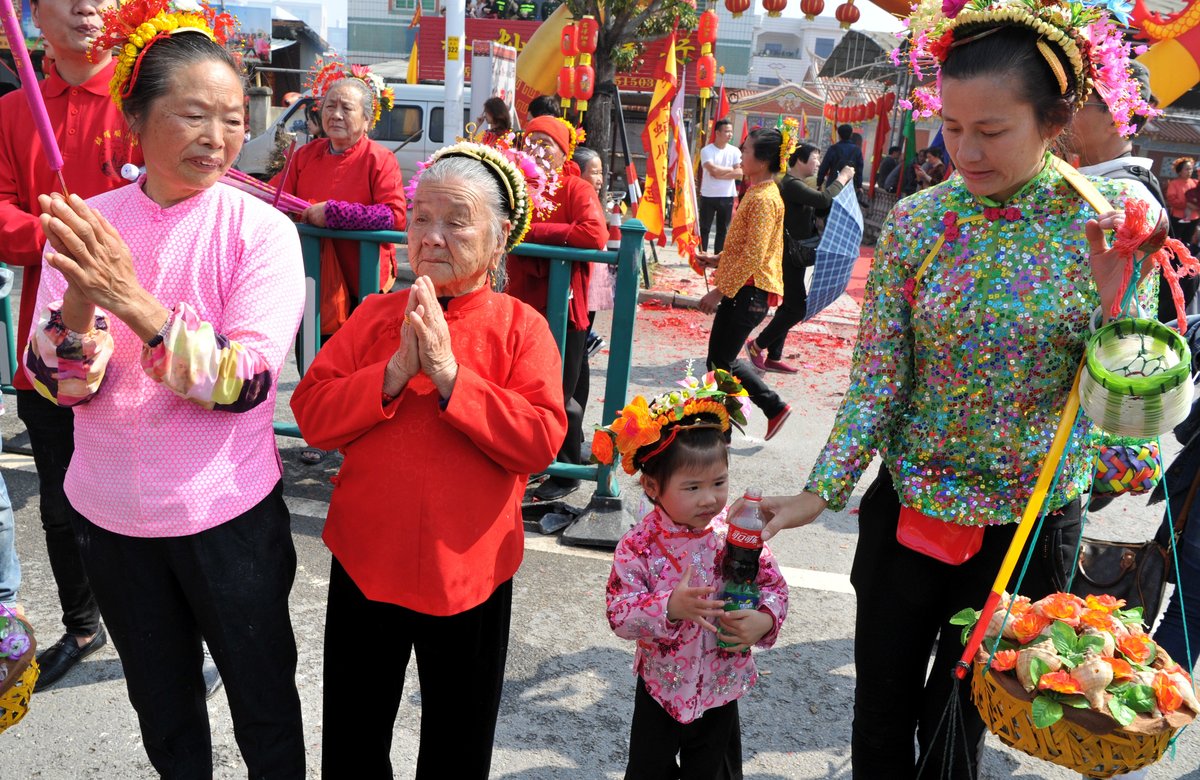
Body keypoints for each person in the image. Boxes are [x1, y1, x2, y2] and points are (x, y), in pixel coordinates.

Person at [748, 0, 1159, 774]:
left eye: (992, 131)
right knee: (880, 723)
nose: (964, 152)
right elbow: (877, 380)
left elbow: (1128, 406)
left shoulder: (1106, 224)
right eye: (954, 126)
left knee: (960, 729)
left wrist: (1117, 298)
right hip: (912, 516)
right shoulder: (917, 223)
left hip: (1026, 529)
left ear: (1055, 119)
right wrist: (819, 492)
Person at [25, 2, 306, 776]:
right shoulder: (94, 224)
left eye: (232, 117)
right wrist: (80, 297)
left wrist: (133, 302)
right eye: (192, 114)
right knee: (165, 713)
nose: (217, 137)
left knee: (264, 707)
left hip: (226, 516)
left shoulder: (261, 234)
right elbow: (58, 386)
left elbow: (245, 382)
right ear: (137, 119)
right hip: (112, 521)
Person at [291, 141, 567, 779]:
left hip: (471, 572)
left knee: (457, 748)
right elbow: (313, 412)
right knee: (353, 744)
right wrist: (390, 376)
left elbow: (539, 438)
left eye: (456, 220)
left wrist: (449, 377)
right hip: (366, 561)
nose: (433, 237)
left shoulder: (520, 327)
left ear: (498, 241)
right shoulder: (376, 313)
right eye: (420, 218)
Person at [0, 0, 169, 694]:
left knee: (157, 499)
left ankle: (182, 633)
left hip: (142, 341)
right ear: (35, 12)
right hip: (50, 347)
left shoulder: (145, 101)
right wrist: (53, 240)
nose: (86, 6)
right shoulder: (14, 111)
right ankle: (81, 623)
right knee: (63, 504)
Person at [600, 370, 789, 778]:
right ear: (652, 486)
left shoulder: (736, 532)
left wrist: (765, 618)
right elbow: (619, 613)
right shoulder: (639, 545)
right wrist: (669, 606)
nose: (710, 498)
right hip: (660, 691)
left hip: (721, 688)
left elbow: (773, 585)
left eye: (719, 482)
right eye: (692, 488)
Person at [273, 59, 406, 464]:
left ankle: (358, 438)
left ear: (367, 119)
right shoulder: (304, 156)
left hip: (363, 282)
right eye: (329, 105)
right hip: (312, 279)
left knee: (360, 364)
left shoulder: (379, 160)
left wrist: (334, 213)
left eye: (346, 107)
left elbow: (394, 216)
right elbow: (284, 204)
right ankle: (320, 433)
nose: (335, 114)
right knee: (313, 357)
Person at [506, 116, 608, 501]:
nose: (537, 148)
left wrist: (532, 232)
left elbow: (593, 234)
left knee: (559, 392)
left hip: (563, 310)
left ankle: (565, 471)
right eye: (531, 140)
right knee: (520, 387)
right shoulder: (515, 184)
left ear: (564, 151)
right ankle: (531, 458)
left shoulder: (575, 187)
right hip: (519, 305)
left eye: (546, 142)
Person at [695, 127, 792, 442]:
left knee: (721, 362)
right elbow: (743, 247)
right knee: (720, 360)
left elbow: (753, 255)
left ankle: (724, 429)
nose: (740, 154)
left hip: (749, 291)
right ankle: (734, 422)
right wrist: (717, 259)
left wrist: (717, 290)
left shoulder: (764, 197)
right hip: (744, 289)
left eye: (746, 149)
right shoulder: (757, 191)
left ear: (762, 161)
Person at [746, 142, 854, 374]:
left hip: (794, 253)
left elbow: (821, 207)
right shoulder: (789, 184)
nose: (818, 162)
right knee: (797, 308)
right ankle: (757, 346)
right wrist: (843, 177)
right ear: (800, 160)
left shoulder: (797, 184)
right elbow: (824, 200)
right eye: (815, 158)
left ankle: (774, 356)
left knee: (790, 306)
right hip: (786, 254)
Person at [574, 145, 613, 358]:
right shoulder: (578, 199)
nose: (600, 180)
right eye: (595, 172)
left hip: (593, 281)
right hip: (582, 280)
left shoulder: (592, 199)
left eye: (601, 173)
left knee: (582, 349)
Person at [698, 118, 742, 254]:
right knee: (704, 228)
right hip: (708, 195)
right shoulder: (707, 150)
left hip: (727, 195)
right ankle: (702, 254)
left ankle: (718, 258)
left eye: (731, 132)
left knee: (723, 230)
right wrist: (730, 169)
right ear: (717, 133)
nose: (730, 134)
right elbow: (713, 171)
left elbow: (739, 172)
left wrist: (720, 173)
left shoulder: (735, 151)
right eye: (726, 131)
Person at [817, 123, 864, 192]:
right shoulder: (857, 150)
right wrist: (859, 185)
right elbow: (859, 169)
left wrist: (819, 183)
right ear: (851, 135)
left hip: (833, 183)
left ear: (839, 135)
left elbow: (824, 167)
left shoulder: (833, 148)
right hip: (849, 185)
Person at [1167, 157, 1198, 252]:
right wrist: (1187, 205)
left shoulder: (1195, 183)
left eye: (1191, 168)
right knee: (1174, 240)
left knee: (1187, 241)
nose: (1190, 171)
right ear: (1180, 171)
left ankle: (1183, 262)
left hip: (1194, 217)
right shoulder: (1174, 184)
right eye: (1187, 169)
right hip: (1178, 216)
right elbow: (1172, 199)